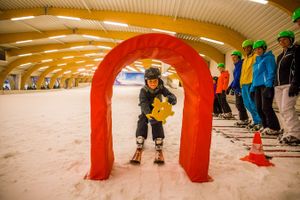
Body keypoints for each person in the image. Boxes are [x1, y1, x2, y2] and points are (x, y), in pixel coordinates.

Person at [135, 67, 177, 151]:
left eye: (155, 81)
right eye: (150, 81)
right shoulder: (143, 90)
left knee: (157, 120)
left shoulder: (161, 88)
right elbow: (143, 102)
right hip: (146, 109)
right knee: (142, 119)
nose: (153, 84)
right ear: (146, 81)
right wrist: (148, 113)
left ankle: (158, 138)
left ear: (158, 80)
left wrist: (171, 99)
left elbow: (169, 94)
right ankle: (141, 136)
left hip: (157, 108)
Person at [275, 30, 300, 145]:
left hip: (290, 84)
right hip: (279, 86)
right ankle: (288, 131)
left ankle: (295, 133)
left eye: (284, 39)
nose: (282, 42)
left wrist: (295, 83)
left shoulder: (296, 51)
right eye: (280, 40)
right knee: (282, 110)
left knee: (287, 108)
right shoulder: (280, 56)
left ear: (290, 39)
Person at [251, 40, 281, 135]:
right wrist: (252, 88)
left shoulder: (269, 58)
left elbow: (271, 72)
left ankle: (274, 127)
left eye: (259, 49)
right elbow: (254, 76)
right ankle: (266, 126)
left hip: (265, 86)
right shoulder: (257, 61)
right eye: (256, 50)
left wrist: (268, 86)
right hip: (257, 87)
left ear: (264, 48)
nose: (257, 51)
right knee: (259, 107)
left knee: (266, 107)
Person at [240, 40, 262, 131]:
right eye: (245, 48)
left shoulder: (255, 56)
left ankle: (260, 121)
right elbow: (243, 72)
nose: (246, 49)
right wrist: (240, 83)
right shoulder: (245, 59)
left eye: (248, 47)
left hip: (251, 83)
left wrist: (254, 82)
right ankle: (255, 120)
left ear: (252, 47)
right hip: (244, 84)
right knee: (247, 104)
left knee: (253, 103)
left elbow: (257, 70)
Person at [227, 51, 249, 127]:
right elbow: (235, 78)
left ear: (239, 57)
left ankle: (244, 119)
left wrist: (232, 87)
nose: (233, 59)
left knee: (240, 104)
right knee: (238, 104)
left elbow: (238, 77)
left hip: (240, 87)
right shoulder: (236, 66)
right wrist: (230, 87)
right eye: (232, 57)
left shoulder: (240, 65)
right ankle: (243, 118)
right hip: (237, 87)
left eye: (235, 57)